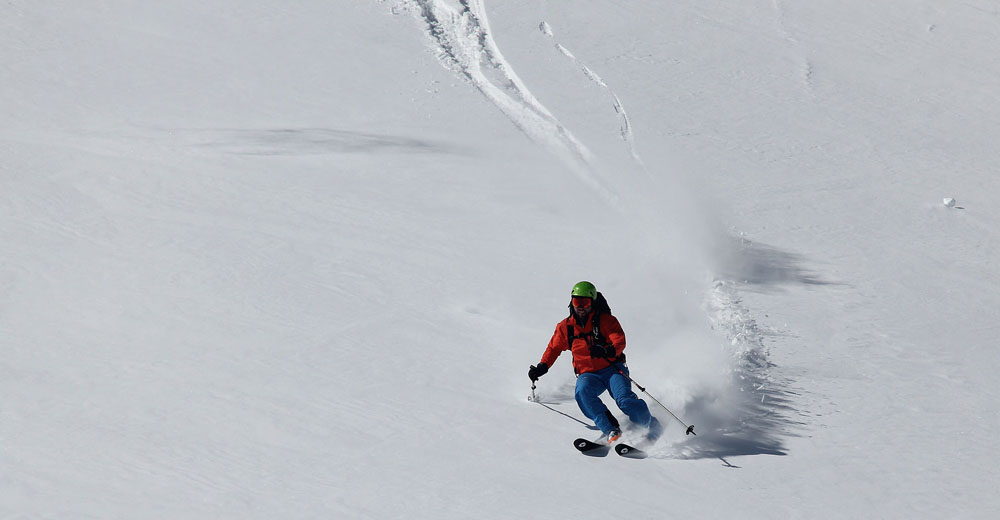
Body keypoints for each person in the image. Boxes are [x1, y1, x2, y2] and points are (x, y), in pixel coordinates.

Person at [528, 281, 659, 443]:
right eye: (577, 302)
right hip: (588, 374)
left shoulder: (605, 321)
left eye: (585, 302)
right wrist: (542, 366)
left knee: (624, 400)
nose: (581, 307)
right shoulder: (566, 327)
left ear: (593, 302)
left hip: (612, 369)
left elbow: (619, 340)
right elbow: (553, 348)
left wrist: (608, 351)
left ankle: (648, 423)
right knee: (582, 394)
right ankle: (611, 429)